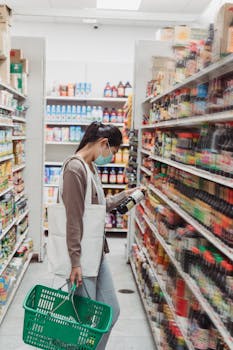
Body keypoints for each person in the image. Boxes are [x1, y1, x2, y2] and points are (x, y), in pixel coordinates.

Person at [62, 121, 138, 349]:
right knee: (85, 321)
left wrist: (125, 194)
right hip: (81, 257)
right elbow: (73, 219)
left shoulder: (90, 167)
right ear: (104, 143)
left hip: (96, 253)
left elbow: (97, 206)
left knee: (111, 311)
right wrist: (75, 262)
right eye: (112, 152)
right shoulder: (74, 169)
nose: (112, 157)